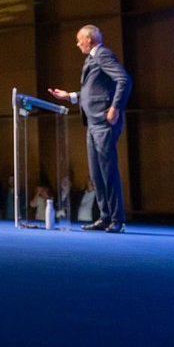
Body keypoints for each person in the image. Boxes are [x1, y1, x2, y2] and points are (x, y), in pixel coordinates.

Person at [48, 24, 132, 232]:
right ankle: (104, 217)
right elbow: (93, 90)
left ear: (90, 39)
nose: (77, 44)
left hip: (104, 122)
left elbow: (124, 79)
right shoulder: (91, 59)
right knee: (96, 173)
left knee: (108, 171)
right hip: (92, 123)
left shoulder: (102, 54)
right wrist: (71, 96)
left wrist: (115, 107)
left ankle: (117, 220)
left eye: (79, 40)